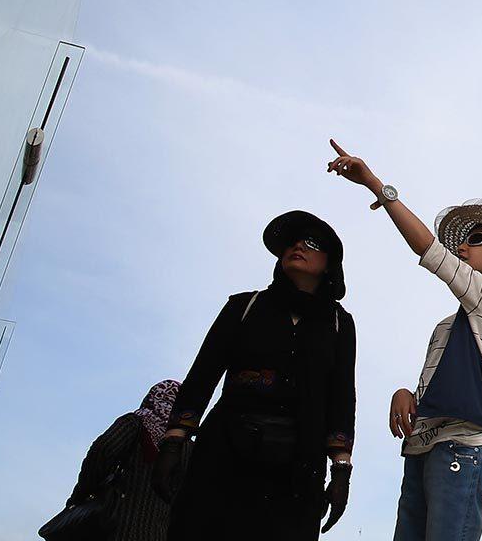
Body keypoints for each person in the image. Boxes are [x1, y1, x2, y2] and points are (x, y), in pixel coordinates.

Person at [324, 140, 482, 541]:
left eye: (475, 240)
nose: (462, 246)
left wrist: (376, 185)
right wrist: (407, 392)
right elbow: (438, 385)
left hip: (463, 448)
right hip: (423, 449)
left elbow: (427, 247)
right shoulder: (449, 324)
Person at [151, 211, 356, 540]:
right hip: (225, 451)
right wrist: (174, 441)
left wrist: (341, 470)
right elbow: (203, 373)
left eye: (312, 243)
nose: (298, 246)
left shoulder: (339, 323)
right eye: (292, 241)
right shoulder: (243, 306)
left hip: (299, 465)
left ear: (330, 262)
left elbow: (342, 395)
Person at [54, 380, 180, 540]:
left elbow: (103, 450)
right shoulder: (186, 447)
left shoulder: (135, 423)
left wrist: (81, 494)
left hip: (112, 527)